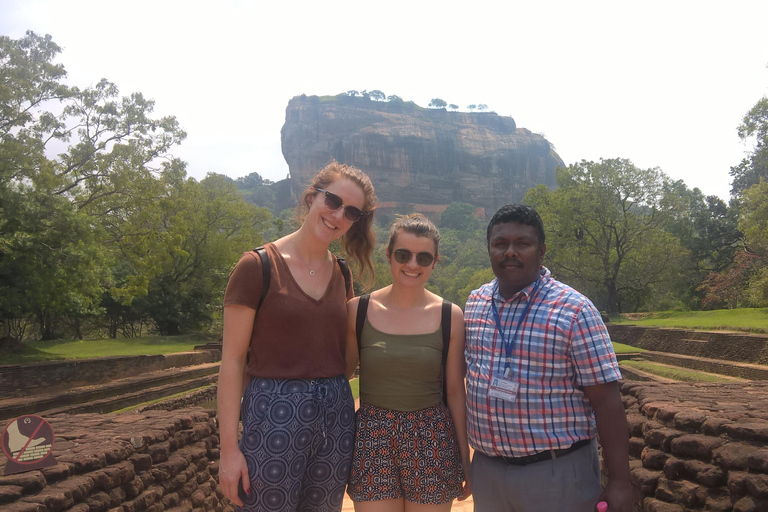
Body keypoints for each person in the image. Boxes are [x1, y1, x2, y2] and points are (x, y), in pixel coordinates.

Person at [218, 161, 377, 512]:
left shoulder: (342, 273)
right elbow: (231, 362)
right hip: (273, 411)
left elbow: (346, 352)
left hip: (335, 418)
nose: (338, 215)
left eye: (351, 212)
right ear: (311, 197)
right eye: (332, 201)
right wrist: (229, 450)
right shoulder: (257, 266)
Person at [464, 204, 632, 512]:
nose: (510, 252)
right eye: (500, 243)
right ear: (489, 249)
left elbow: (606, 399)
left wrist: (620, 480)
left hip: (557, 474)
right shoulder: (475, 305)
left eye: (522, 244)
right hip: (488, 474)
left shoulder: (574, 310)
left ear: (541, 251)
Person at [345, 214, 471, 512]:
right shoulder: (357, 310)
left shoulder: (449, 316)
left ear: (434, 262)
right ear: (389, 256)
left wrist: (466, 460)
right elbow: (340, 379)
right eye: (403, 255)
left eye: (423, 257)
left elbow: (455, 392)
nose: (412, 265)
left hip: (431, 436)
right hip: (373, 436)